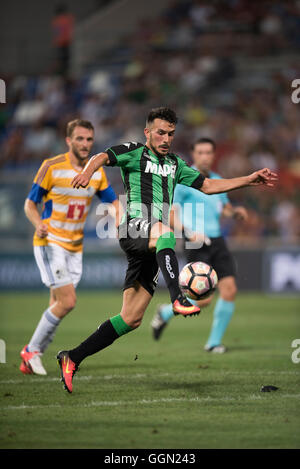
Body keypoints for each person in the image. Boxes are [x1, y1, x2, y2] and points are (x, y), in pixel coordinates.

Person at [56, 107, 277, 393]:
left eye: (171, 133)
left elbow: (207, 185)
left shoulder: (175, 164)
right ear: (148, 132)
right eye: (160, 132)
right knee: (166, 231)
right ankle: (177, 298)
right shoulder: (134, 151)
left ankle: (72, 357)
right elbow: (102, 156)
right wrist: (88, 172)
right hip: (134, 227)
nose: (166, 138)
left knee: (131, 318)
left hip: (152, 242)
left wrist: (248, 179)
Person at [20, 119, 120, 375]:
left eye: (89, 139)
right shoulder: (51, 166)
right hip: (50, 241)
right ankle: (32, 350)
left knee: (58, 303)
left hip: (75, 247)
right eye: (80, 139)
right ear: (69, 141)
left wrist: (121, 223)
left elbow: (112, 202)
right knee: (68, 301)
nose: (85, 144)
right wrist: (38, 223)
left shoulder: (95, 171)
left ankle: (29, 360)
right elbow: (30, 204)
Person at [151, 137, 248, 352]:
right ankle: (165, 312)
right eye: (200, 152)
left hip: (218, 241)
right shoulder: (185, 180)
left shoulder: (217, 180)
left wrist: (234, 212)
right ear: (194, 155)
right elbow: (172, 213)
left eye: (208, 152)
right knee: (203, 299)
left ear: (214, 155)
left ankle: (213, 343)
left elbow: (223, 207)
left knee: (229, 290)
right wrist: (187, 233)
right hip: (196, 243)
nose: (205, 156)